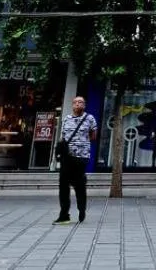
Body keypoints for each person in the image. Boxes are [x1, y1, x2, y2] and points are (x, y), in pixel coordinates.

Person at [53, 96, 98, 226]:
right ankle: (64, 215)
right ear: (72, 105)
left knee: (79, 185)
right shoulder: (66, 119)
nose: (78, 104)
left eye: (81, 102)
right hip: (67, 157)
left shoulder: (90, 119)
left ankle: (81, 208)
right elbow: (63, 137)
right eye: (76, 102)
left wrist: (81, 143)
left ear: (84, 105)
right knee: (63, 185)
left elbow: (93, 136)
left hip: (81, 157)